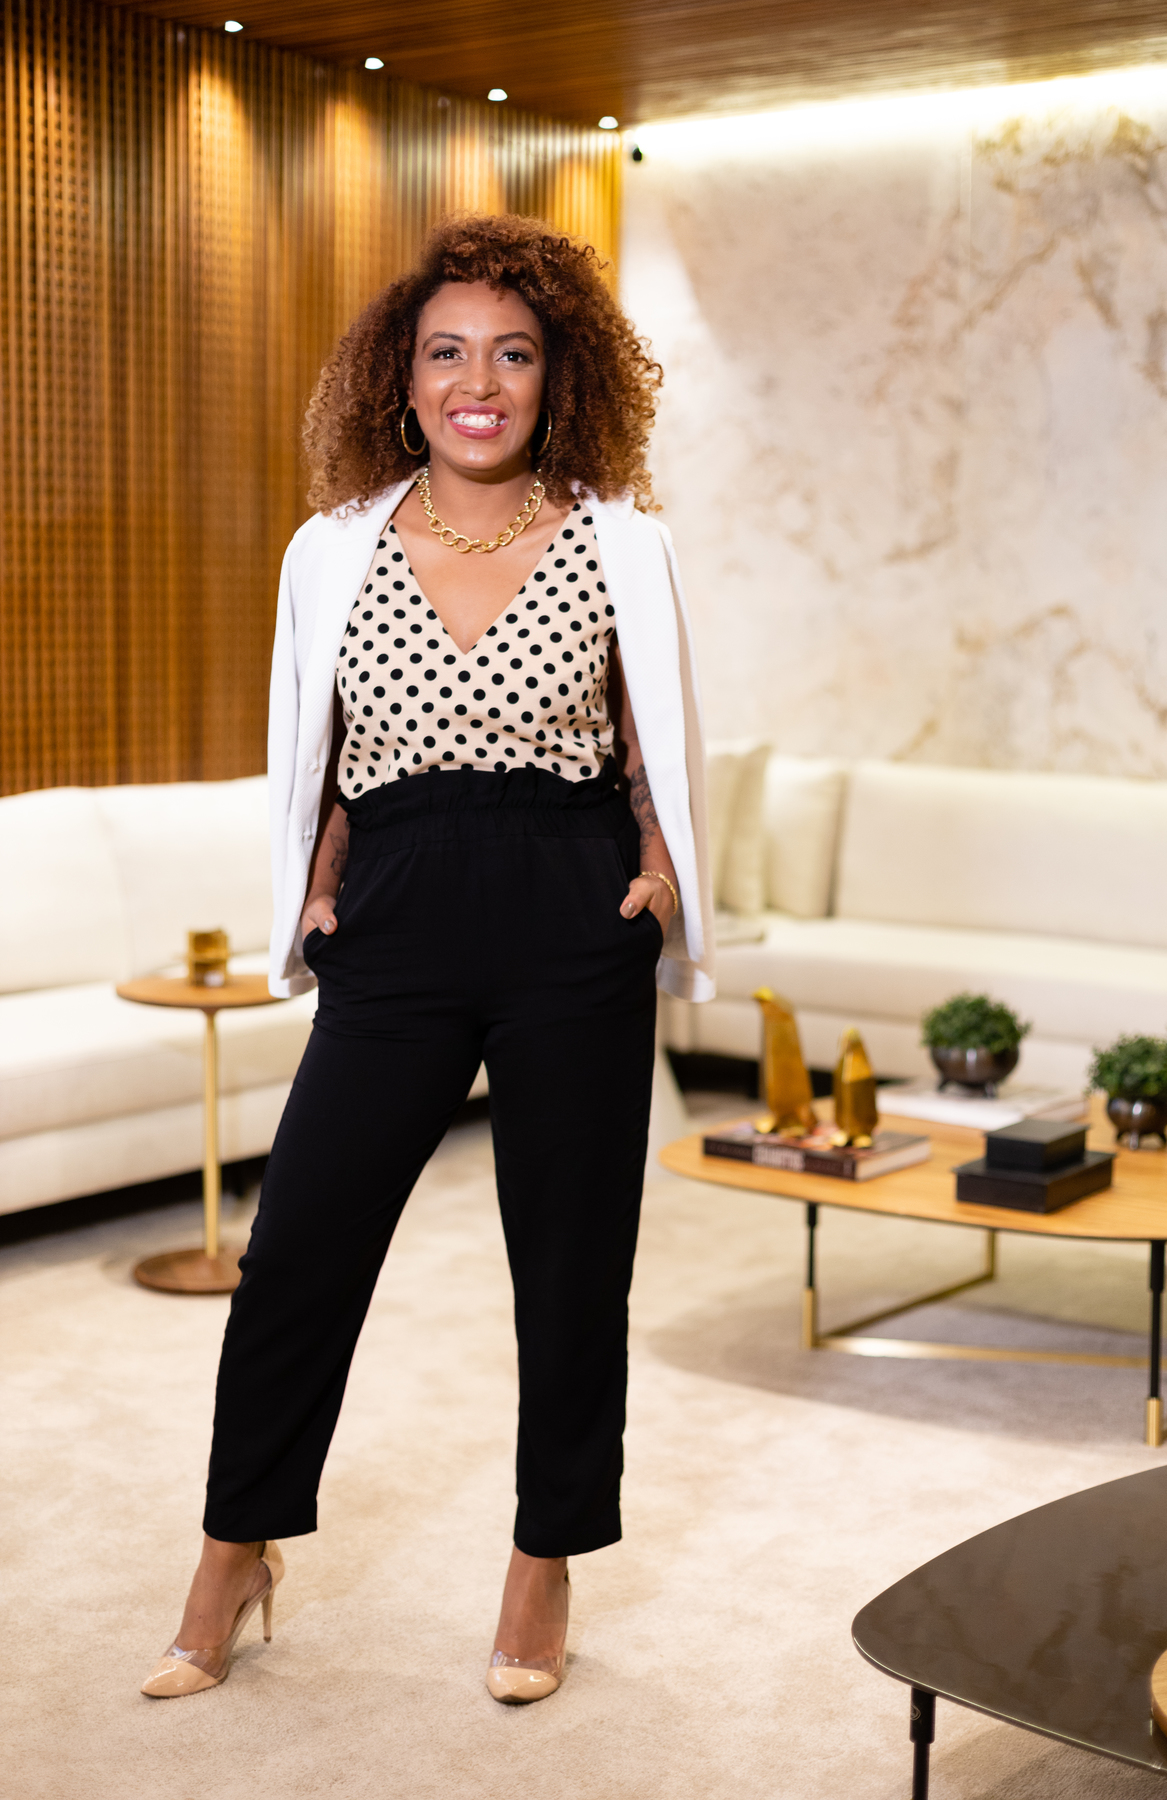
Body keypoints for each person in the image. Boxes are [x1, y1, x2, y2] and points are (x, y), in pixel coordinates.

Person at [141, 213, 714, 1705]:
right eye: (448, 353)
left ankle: (544, 1562)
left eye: (513, 355)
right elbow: (319, 751)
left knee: (569, 1267)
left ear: (558, 379)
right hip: (395, 920)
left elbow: (653, 738)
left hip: (569, 915)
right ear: (399, 380)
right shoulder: (333, 548)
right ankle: (235, 1549)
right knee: (299, 1253)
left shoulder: (620, 540)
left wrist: (655, 879)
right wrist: (320, 888)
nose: (479, 383)